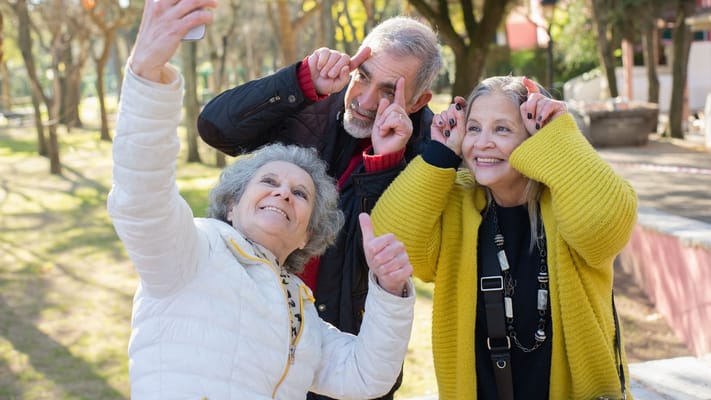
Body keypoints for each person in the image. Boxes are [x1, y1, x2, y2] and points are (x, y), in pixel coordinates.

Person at [106, 1, 416, 398]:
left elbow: (366, 376)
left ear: (309, 235)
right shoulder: (192, 254)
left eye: (300, 193)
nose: (283, 192)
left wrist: (389, 292)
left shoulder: (302, 314)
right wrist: (147, 75)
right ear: (232, 205)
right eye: (268, 180)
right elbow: (140, 198)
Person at [197, 15, 442, 399]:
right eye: (362, 75)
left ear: (418, 101)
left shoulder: (431, 154)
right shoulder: (312, 103)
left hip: (343, 357)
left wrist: (384, 163)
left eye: (387, 91)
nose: (364, 100)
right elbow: (215, 127)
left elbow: (379, 252)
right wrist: (299, 81)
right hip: (255, 333)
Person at [370, 76, 638, 399]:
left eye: (501, 129)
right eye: (474, 128)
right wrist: (440, 153)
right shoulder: (457, 202)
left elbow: (604, 227)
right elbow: (390, 242)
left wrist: (558, 135)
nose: (482, 142)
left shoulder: (568, 201)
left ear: (533, 137)